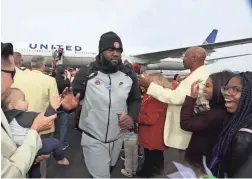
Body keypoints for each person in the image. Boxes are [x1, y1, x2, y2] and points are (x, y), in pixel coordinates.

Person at [61, 31, 141, 178]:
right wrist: (67, 108)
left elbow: (135, 99)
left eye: (119, 51)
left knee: (109, 170)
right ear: (101, 51)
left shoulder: (129, 75)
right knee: (101, 176)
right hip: (93, 138)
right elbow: (71, 101)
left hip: (118, 137)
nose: (116, 54)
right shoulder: (86, 73)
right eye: (111, 50)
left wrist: (131, 117)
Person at [138, 47, 210, 166]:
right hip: (187, 128)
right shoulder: (194, 75)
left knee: (191, 166)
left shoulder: (199, 77)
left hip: (190, 131)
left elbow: (176, 98)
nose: (183, 58)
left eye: (185, 56)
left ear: (194, 58)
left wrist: (150, 86)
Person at [1, 42, 57, 178]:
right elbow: (10, 174)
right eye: (12, 73)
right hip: (40, 128)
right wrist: (35, 131)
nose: (13, 80)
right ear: (43, 66)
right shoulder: (49, 80)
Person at [2, 88, 69, 178]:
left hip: (18, 151)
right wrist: (53, 107)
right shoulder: (21, 116)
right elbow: (43, 117)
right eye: (23, 100)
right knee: (55, 142)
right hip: (29, 146)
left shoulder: (4, 117)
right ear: (11, 106)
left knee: (32, 165)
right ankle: (60, 158)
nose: (27, 102)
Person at [180, 71, 234, 175]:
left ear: (219, 89)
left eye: (208, 86)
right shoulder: (226, 111)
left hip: (200, 163)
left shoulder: (214, 115)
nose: (204, 89)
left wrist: (191, 97)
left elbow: (185, 123)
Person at [210, 72, 252, 178]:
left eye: (235, 89)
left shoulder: (244, 138)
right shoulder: (238, 122)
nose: (227, 93)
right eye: (226, 88)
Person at [137, 73, 169, 178]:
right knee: (156, 155)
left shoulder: (154, 98)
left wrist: (136, 117)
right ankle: (156, 170)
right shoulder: (160, 96)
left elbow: (150, 119)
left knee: (150, 156)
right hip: (156, 133)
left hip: (151, 134)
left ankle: (146, 173)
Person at [54, 65, 71, 150]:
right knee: (63, 126)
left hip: (53, 106)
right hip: (63, 107)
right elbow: (69, 80)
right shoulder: (66, 82)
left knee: (52, 126)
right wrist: (67, 74)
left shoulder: (51, 80)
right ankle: (62, 144)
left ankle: (50, 142)